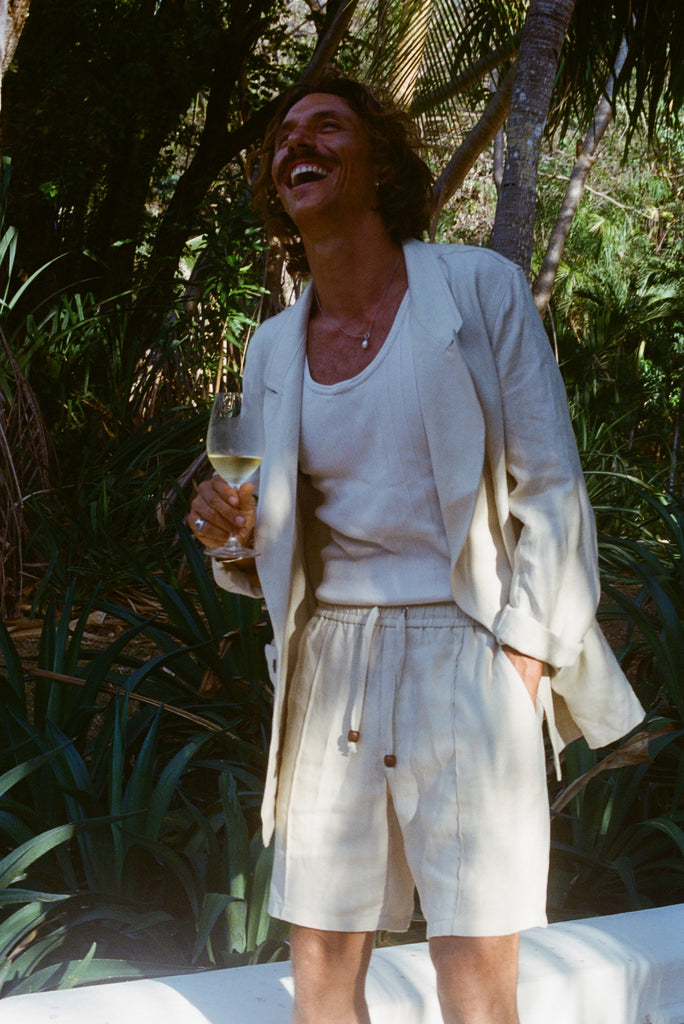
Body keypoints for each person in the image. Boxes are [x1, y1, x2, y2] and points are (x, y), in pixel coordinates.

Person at [188, 75, 644, 1024]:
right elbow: (276, 528)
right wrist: (233, 536)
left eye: (326, 127)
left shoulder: (478, 291)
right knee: (319, 960)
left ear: (381, 161)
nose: (294, 145)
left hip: (465, 644)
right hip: (328, 663)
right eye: (282, 138)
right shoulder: (273, 349)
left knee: (473, 971)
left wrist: (520, 658)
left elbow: (552, 485)